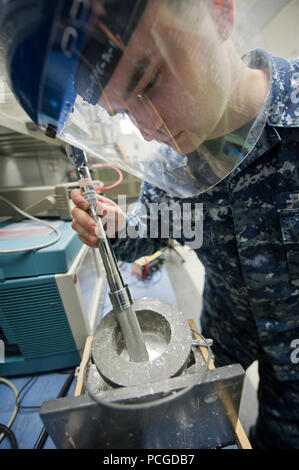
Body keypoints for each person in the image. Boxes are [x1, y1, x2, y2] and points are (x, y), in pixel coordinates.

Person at [1, 0, 298, 449]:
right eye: (123, 111)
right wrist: (117, 228)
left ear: (219, 11)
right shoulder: (175, 168)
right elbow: (155, 226)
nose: (147, 128)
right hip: (225, 335)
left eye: (149, 80)